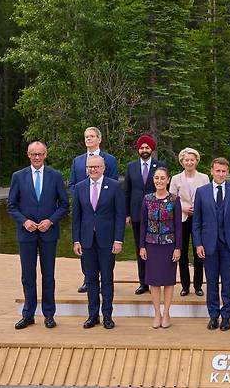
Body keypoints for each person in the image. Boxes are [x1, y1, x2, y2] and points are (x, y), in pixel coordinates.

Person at [8, 141, 69, 330]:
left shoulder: (56, 176)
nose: (37, 157)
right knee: (28, 276)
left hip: (48, 233)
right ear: (28, 155)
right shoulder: (18, 177)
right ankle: (28, 314)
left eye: (40, 154)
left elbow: (64, 205)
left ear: (45, 155)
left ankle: (49, 315)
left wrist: (50, 221)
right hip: (26, 234)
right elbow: (11, 206)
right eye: (33, 154)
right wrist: (24, 221)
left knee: (48, 275)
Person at [193, 158, 230, 331]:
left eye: (224, 171)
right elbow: (197, 221)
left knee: (227, 282)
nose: (221, 174)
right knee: (211, 282)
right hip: (209, 245)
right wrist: (198, 243)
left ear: (227, 172)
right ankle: (213, 315)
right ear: (211, 171)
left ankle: (226, 316)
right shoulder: (201, 192)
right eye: (218, 171)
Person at [72, 155, 125, 329]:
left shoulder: (115, 186)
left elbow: (119, 216)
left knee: (107, 279)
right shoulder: (80, 188)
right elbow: (77, 218)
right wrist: (76, 240)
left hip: (107, 241)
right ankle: (92, 315)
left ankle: (107, 316)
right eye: (90, 167)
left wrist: (118, 240)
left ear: (103, 167)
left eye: (96, 166)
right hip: (87, 241)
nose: (93, 170)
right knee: (91, 279)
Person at [69, 127, 119, 294]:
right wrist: (81, 199)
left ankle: (104, 282)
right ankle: (88, 279)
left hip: (104, 212)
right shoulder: (77, 161)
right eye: (86, 137)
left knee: (105, 260)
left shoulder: (110, 160)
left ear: (99, 139)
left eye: (91, 136)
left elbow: (113, 184)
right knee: (86, 251)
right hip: (85, 211)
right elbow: (72, 184)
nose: (88, 139)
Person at [139, 167, 182, 328]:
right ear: (153, 180)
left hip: (169, 245)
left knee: (168, 281)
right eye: (157, 178)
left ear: (168, 180)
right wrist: (142, 246)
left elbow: (178, 226)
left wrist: (178, 247)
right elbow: (143, 225)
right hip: (151, 245)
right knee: (154, 282)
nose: (159, 181)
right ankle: (157, 313)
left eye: (162, 178)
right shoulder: (147, 199)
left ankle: (167, 313)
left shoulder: (174, 200)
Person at [124, 135, 164, 294]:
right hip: (136, 214)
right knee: (140, 247)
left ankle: (156, 279)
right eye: (142, 148)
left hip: (156, 213)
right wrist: (127, 213)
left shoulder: (160, 166)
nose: (144, 150)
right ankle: (143, 282)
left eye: (147, 148)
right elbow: (126, 192)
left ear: (152, 149)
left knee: (155, 248)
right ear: (138, 150)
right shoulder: (131, 167)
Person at [169, 147, 210, 297]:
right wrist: (184, 208)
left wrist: (197, 208)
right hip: (182, 219)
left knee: (199, 252)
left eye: (192, 159)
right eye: (186, 159)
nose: (189, 162)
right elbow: (171, 200)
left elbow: (208, 198)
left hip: (199, 219)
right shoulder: (175, 179)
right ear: (182, 161)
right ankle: (185, 286)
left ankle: (198, 285)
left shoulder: (204, 178)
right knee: (183, 253)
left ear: (196, 161)